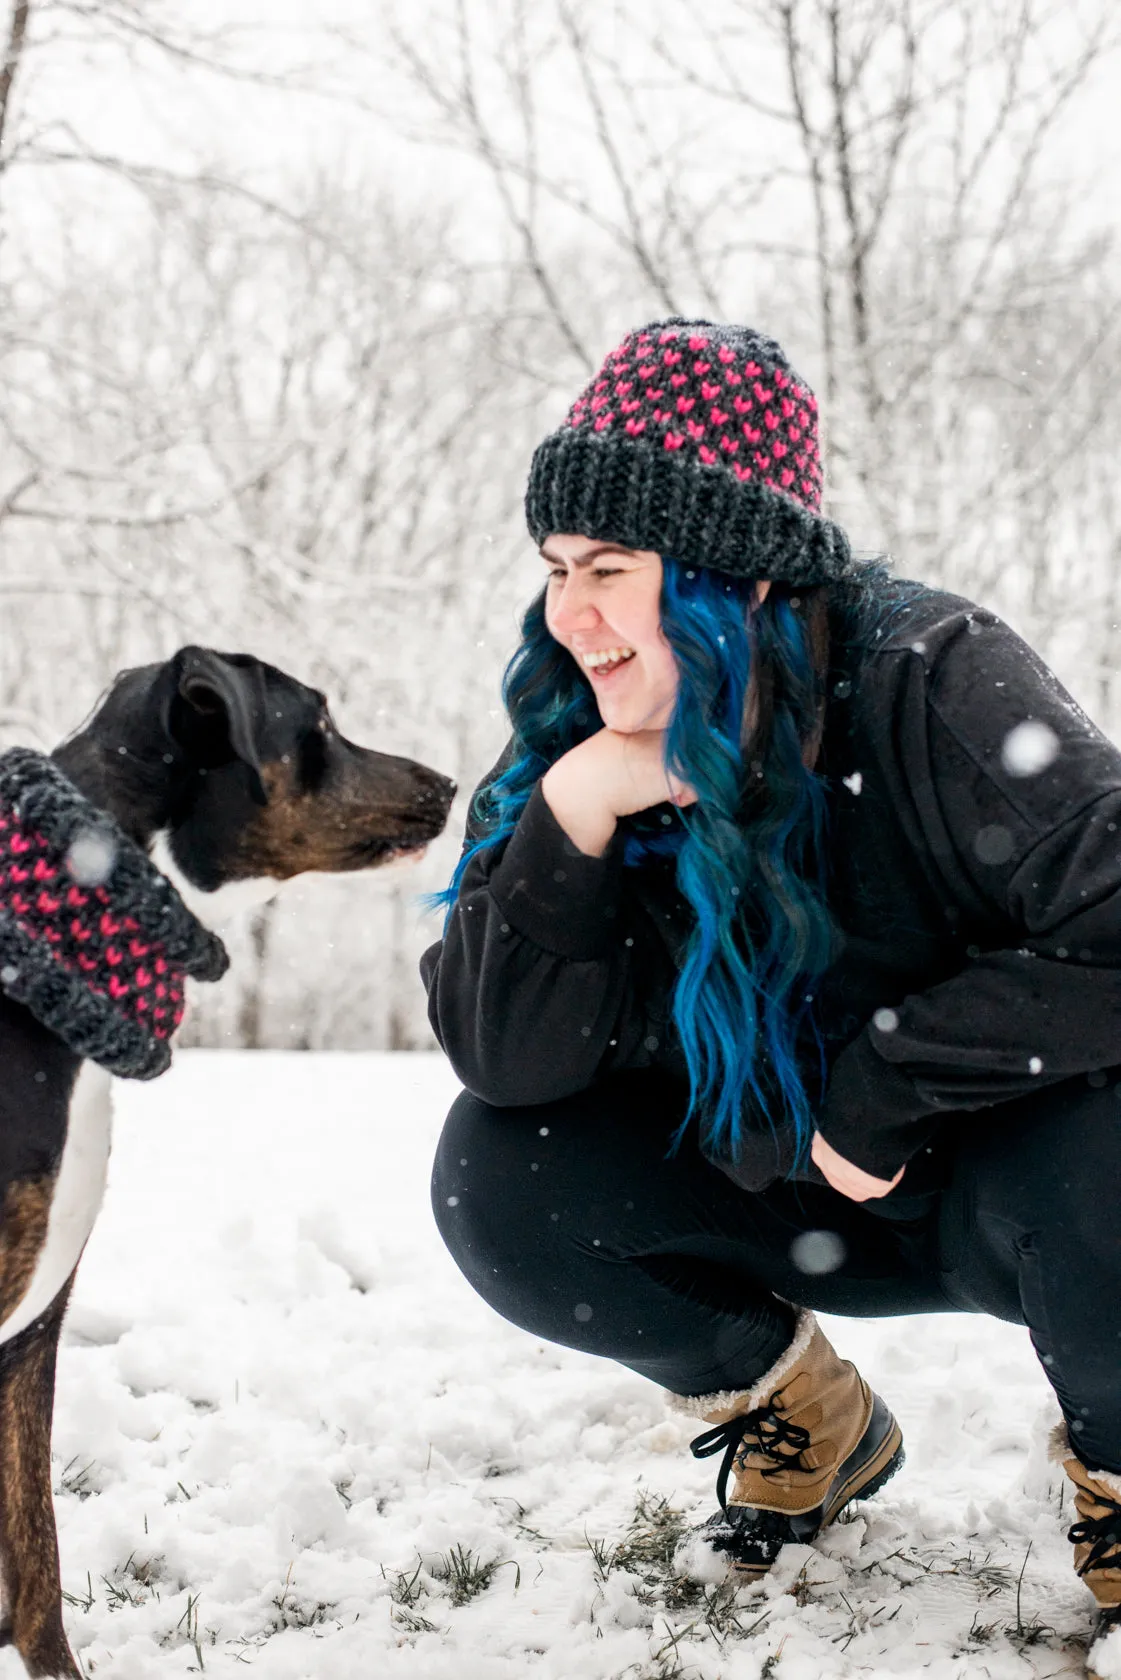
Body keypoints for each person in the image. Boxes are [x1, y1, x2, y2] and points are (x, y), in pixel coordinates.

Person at [420, 318, 1121, 1677]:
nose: (573, 617)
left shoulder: (933, 675)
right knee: (499, 1176)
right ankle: (802, 1414)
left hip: (1013, 1183)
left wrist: (885, 1084)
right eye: (559, 571)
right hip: (768, 1186)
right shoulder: (582, 727)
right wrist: (567, 823)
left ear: (727, 581)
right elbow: (500, 1055)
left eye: (612, 572)